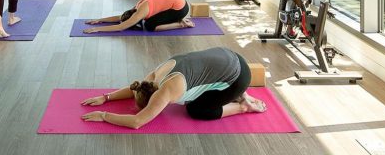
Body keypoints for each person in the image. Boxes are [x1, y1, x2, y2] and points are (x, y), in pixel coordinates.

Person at [80, 47, 267, 129]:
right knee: (202, 79)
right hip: (230, 56)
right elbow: (134, 88)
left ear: (156, 100)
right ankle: (242, 95)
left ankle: (243, 105)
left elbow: (137, 122)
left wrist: (103, 115)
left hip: (239, 76)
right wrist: (106, 98)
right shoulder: (155, 75)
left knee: (196, 109)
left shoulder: (166, 91)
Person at [83, 0, 195, 33]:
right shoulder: (136, 7)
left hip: (180, 9)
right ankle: (176, 19)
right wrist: (100, 20)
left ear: (133, 18)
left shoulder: (139, 13)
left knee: (150, 26)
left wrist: (97, 29)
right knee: (149, 21)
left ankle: (181, 23)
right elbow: (120, 18)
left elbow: (120, 27)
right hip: (179, 1)